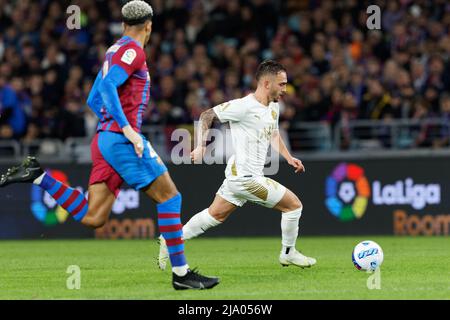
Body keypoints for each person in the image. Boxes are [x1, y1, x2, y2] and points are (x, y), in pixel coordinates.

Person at [0, 0, 218, 291]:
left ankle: (39, 176)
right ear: (149, 26)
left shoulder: (113, 50)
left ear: (125, 23)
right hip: (121, 140)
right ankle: (181, 273)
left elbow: (93, 99)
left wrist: (111, 127)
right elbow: (106, 88)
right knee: (170, 198)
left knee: (95, 217)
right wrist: (127, 130)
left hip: (104, 140)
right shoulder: (134, 51)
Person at [158, 60, 316, 270]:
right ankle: (288, 252)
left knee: (214, 215)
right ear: (267, 84)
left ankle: (171, 239)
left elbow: (273, 133)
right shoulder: (244, 106)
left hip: (237, 177)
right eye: (282, 84)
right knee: (294, 206)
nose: (285, 89)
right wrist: (201, 147)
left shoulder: (273, 107)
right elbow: (207, 116)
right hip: (246, 179)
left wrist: (288, 157)